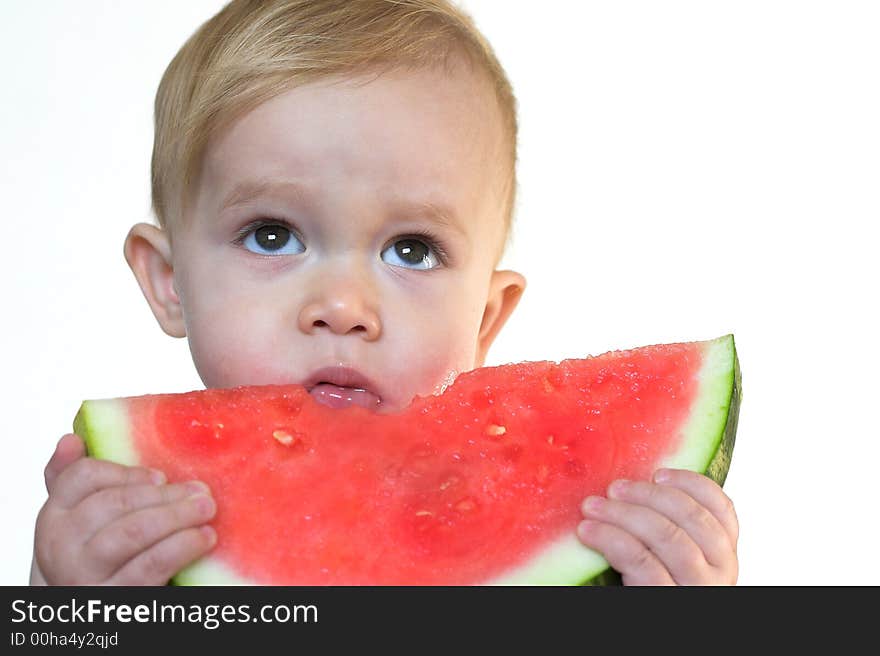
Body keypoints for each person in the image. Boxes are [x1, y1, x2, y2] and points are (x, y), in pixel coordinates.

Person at [30, 0, 738, 586]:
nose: (343, 306)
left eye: (413, 250)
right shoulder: (148, 542)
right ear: (169, 281)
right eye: (271, 235)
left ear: (486, 317)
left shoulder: (557, 553)